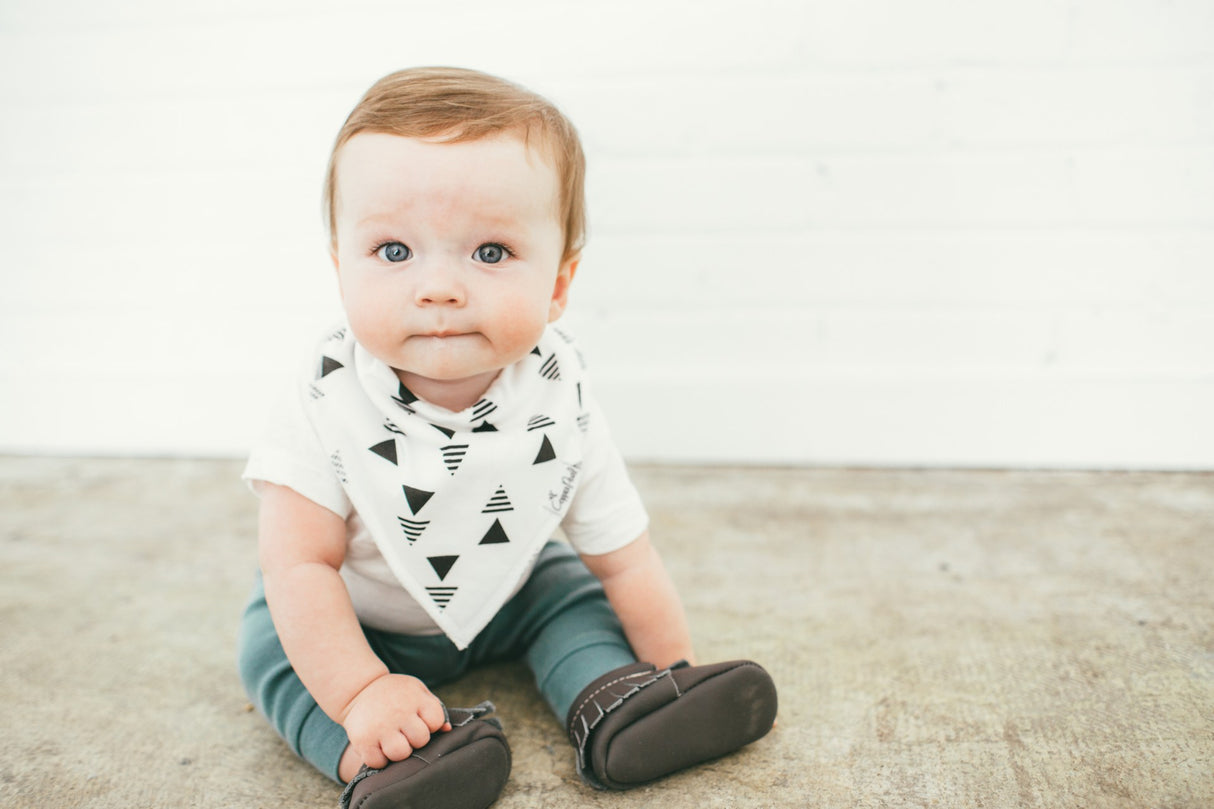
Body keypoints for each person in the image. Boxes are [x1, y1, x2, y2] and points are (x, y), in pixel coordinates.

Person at [237, 66, 777, 809]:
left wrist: (673, 662)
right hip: (362, 614)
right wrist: (361, 688)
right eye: (394, 251)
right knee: (274, 647)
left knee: (572, 594)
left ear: (558, 282)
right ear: (341, 270)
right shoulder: (325, 399)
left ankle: (623, 702)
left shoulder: (560, 393)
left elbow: (623, 555)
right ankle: (380, 761)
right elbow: (299, 565)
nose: (440, 288)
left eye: (489, 252)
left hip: (510, 590)